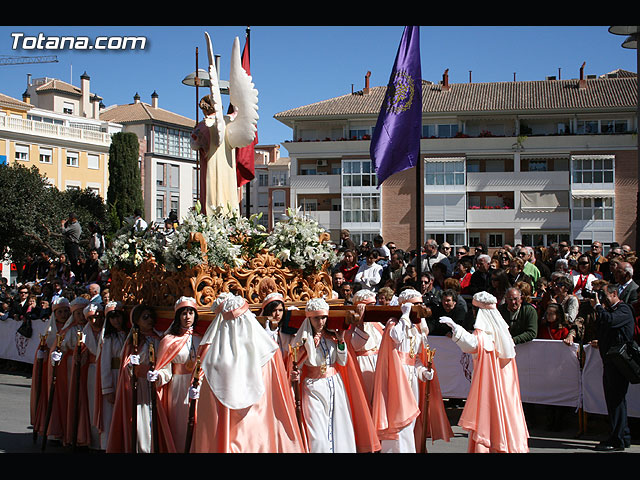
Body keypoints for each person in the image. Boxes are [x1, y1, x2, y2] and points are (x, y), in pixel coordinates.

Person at [191, 293, 306, 453]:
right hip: (260, 434)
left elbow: (208, 418)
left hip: (245, 433)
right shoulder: (269, 353)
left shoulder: (215, 360)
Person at [440, 291, 529, 452]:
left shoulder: (484, 333)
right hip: (505, 387)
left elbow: (474, 345)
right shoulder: (502, 332)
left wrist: (456, 329)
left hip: (493, 386)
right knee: (506, 416)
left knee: (489, 418)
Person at [289, 297, 379, 453]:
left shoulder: (331, 336)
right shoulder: (302, 340)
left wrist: (341, 341)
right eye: (317, 318)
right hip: (313, 387)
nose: (321, 322)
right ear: (309, 318)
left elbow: (342, 362)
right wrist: (295, 373)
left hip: (335, 384)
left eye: (324, 317)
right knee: (317, 433)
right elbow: (296, 364)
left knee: (338, 426)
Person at [371, 288, 452, 453]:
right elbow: (396, 337)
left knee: (410, 420)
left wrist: (422, 372)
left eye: (420, 303)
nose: (419, 307)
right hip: (396, 377)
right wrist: (405, 316)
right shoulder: (394, 323)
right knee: (399, 420)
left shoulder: (416, 329)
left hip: (411, 378)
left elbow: (414, 358)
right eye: (415, 304)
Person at [106, 304, 165, 453]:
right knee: (140, 422)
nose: (149, 320)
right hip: (138, 386)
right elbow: (125, 364)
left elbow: (166, 363)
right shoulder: (132, 341)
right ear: (137, 321)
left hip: (155, 386)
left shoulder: (160, 339)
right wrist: (132, 367)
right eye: (145, 317)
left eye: (151, 317)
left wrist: (159, 376)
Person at [149, 297, 202, 452]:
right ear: (178, 316)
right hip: (178, 387)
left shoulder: (200, 338)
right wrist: (158, 376)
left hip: (197, 387)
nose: (187, 317)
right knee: (179, 424)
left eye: (191, 313)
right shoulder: (169, 340)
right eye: (184, 313)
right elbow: (165, 368)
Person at [589, 284, 635, 451]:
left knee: (616, 400)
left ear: (615, 293)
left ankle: (618, 439)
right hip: (610, 361)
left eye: (605, 295)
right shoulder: (609, 311)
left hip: (619, 363)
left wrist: (599, 307)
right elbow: (604, 327)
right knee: (614, 400)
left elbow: (611, 321)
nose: (602, 299)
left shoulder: (624, 309)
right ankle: (622, 435)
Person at [95, 301, 127, 452]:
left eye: (118, 317)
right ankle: (108, 444)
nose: (116, 321)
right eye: (112, 318)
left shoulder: (129, 335)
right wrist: (107, 388)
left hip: (125, 376)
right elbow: (105, 364)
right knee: (110, 413)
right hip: (114, 377)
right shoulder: (109, 339)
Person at [345, 289, 384, 404]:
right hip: (362, 363)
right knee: (366, 399)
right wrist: (360, 322)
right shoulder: (352, 326)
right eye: (370, 306)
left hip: (377, 362)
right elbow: (356, 345)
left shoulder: (375, 323)